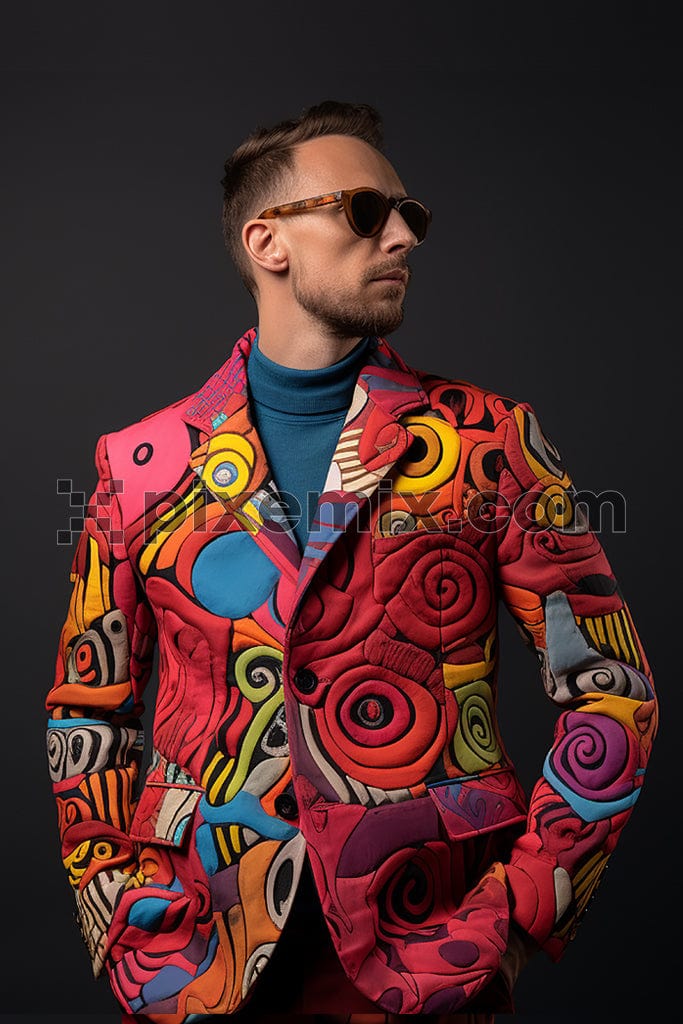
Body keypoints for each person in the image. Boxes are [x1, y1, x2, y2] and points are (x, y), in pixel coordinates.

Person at [46, 100, 658, 1023]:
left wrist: (521, 909)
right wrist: (123, 919)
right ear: (268, 242)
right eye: (366, 211)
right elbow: (85, 711)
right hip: (198, 957)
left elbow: (611, 690)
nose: (404, 234)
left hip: (429, 954)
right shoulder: (140, 463)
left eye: (412, 215)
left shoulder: (489, 439)